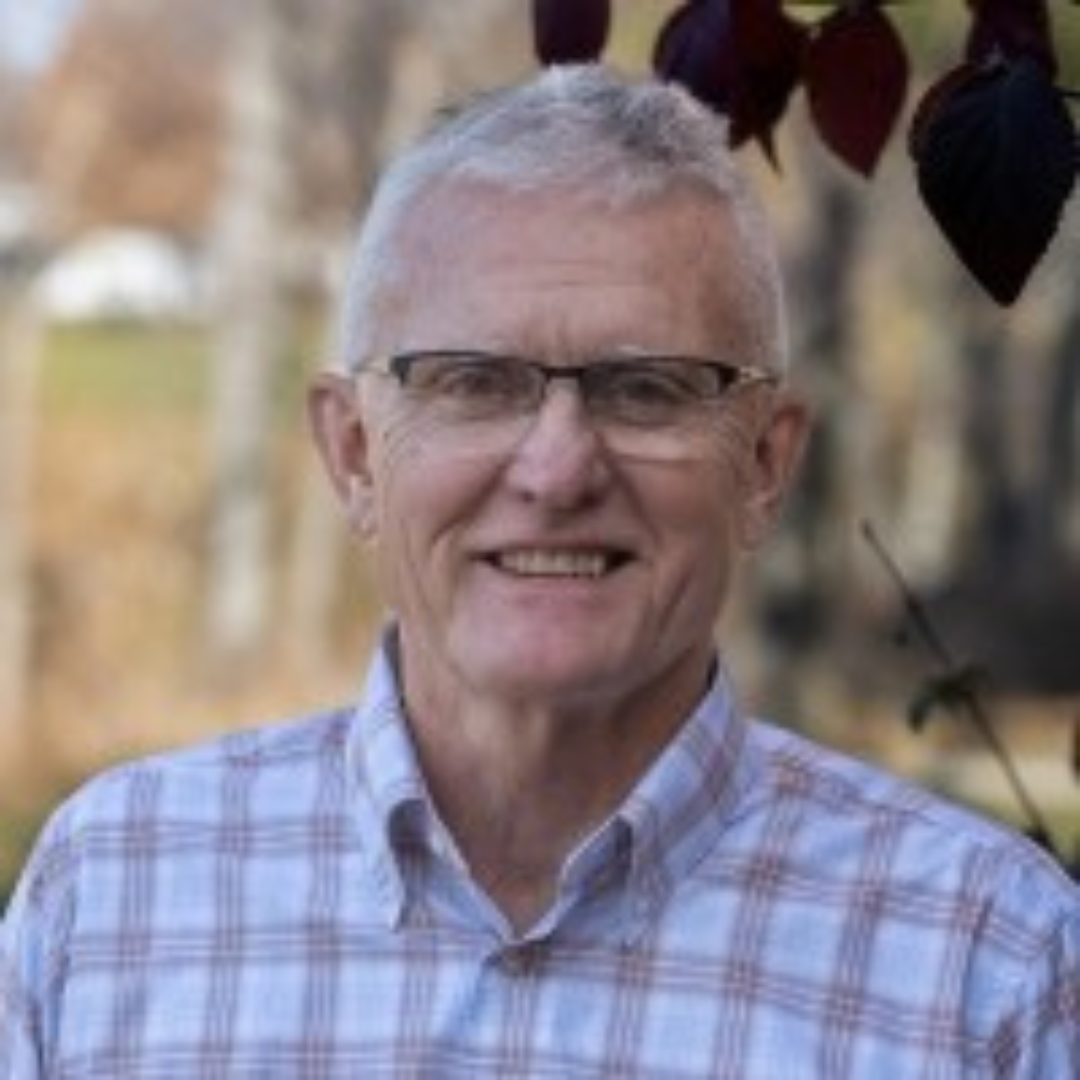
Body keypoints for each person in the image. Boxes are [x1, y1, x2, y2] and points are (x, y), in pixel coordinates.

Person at [2, 65, 1078, 1078]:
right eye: (473, 382)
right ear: (354, 451)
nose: (558, 470)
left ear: (764, 462)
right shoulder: (109, 902)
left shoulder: (991, 968)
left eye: (647, 388)